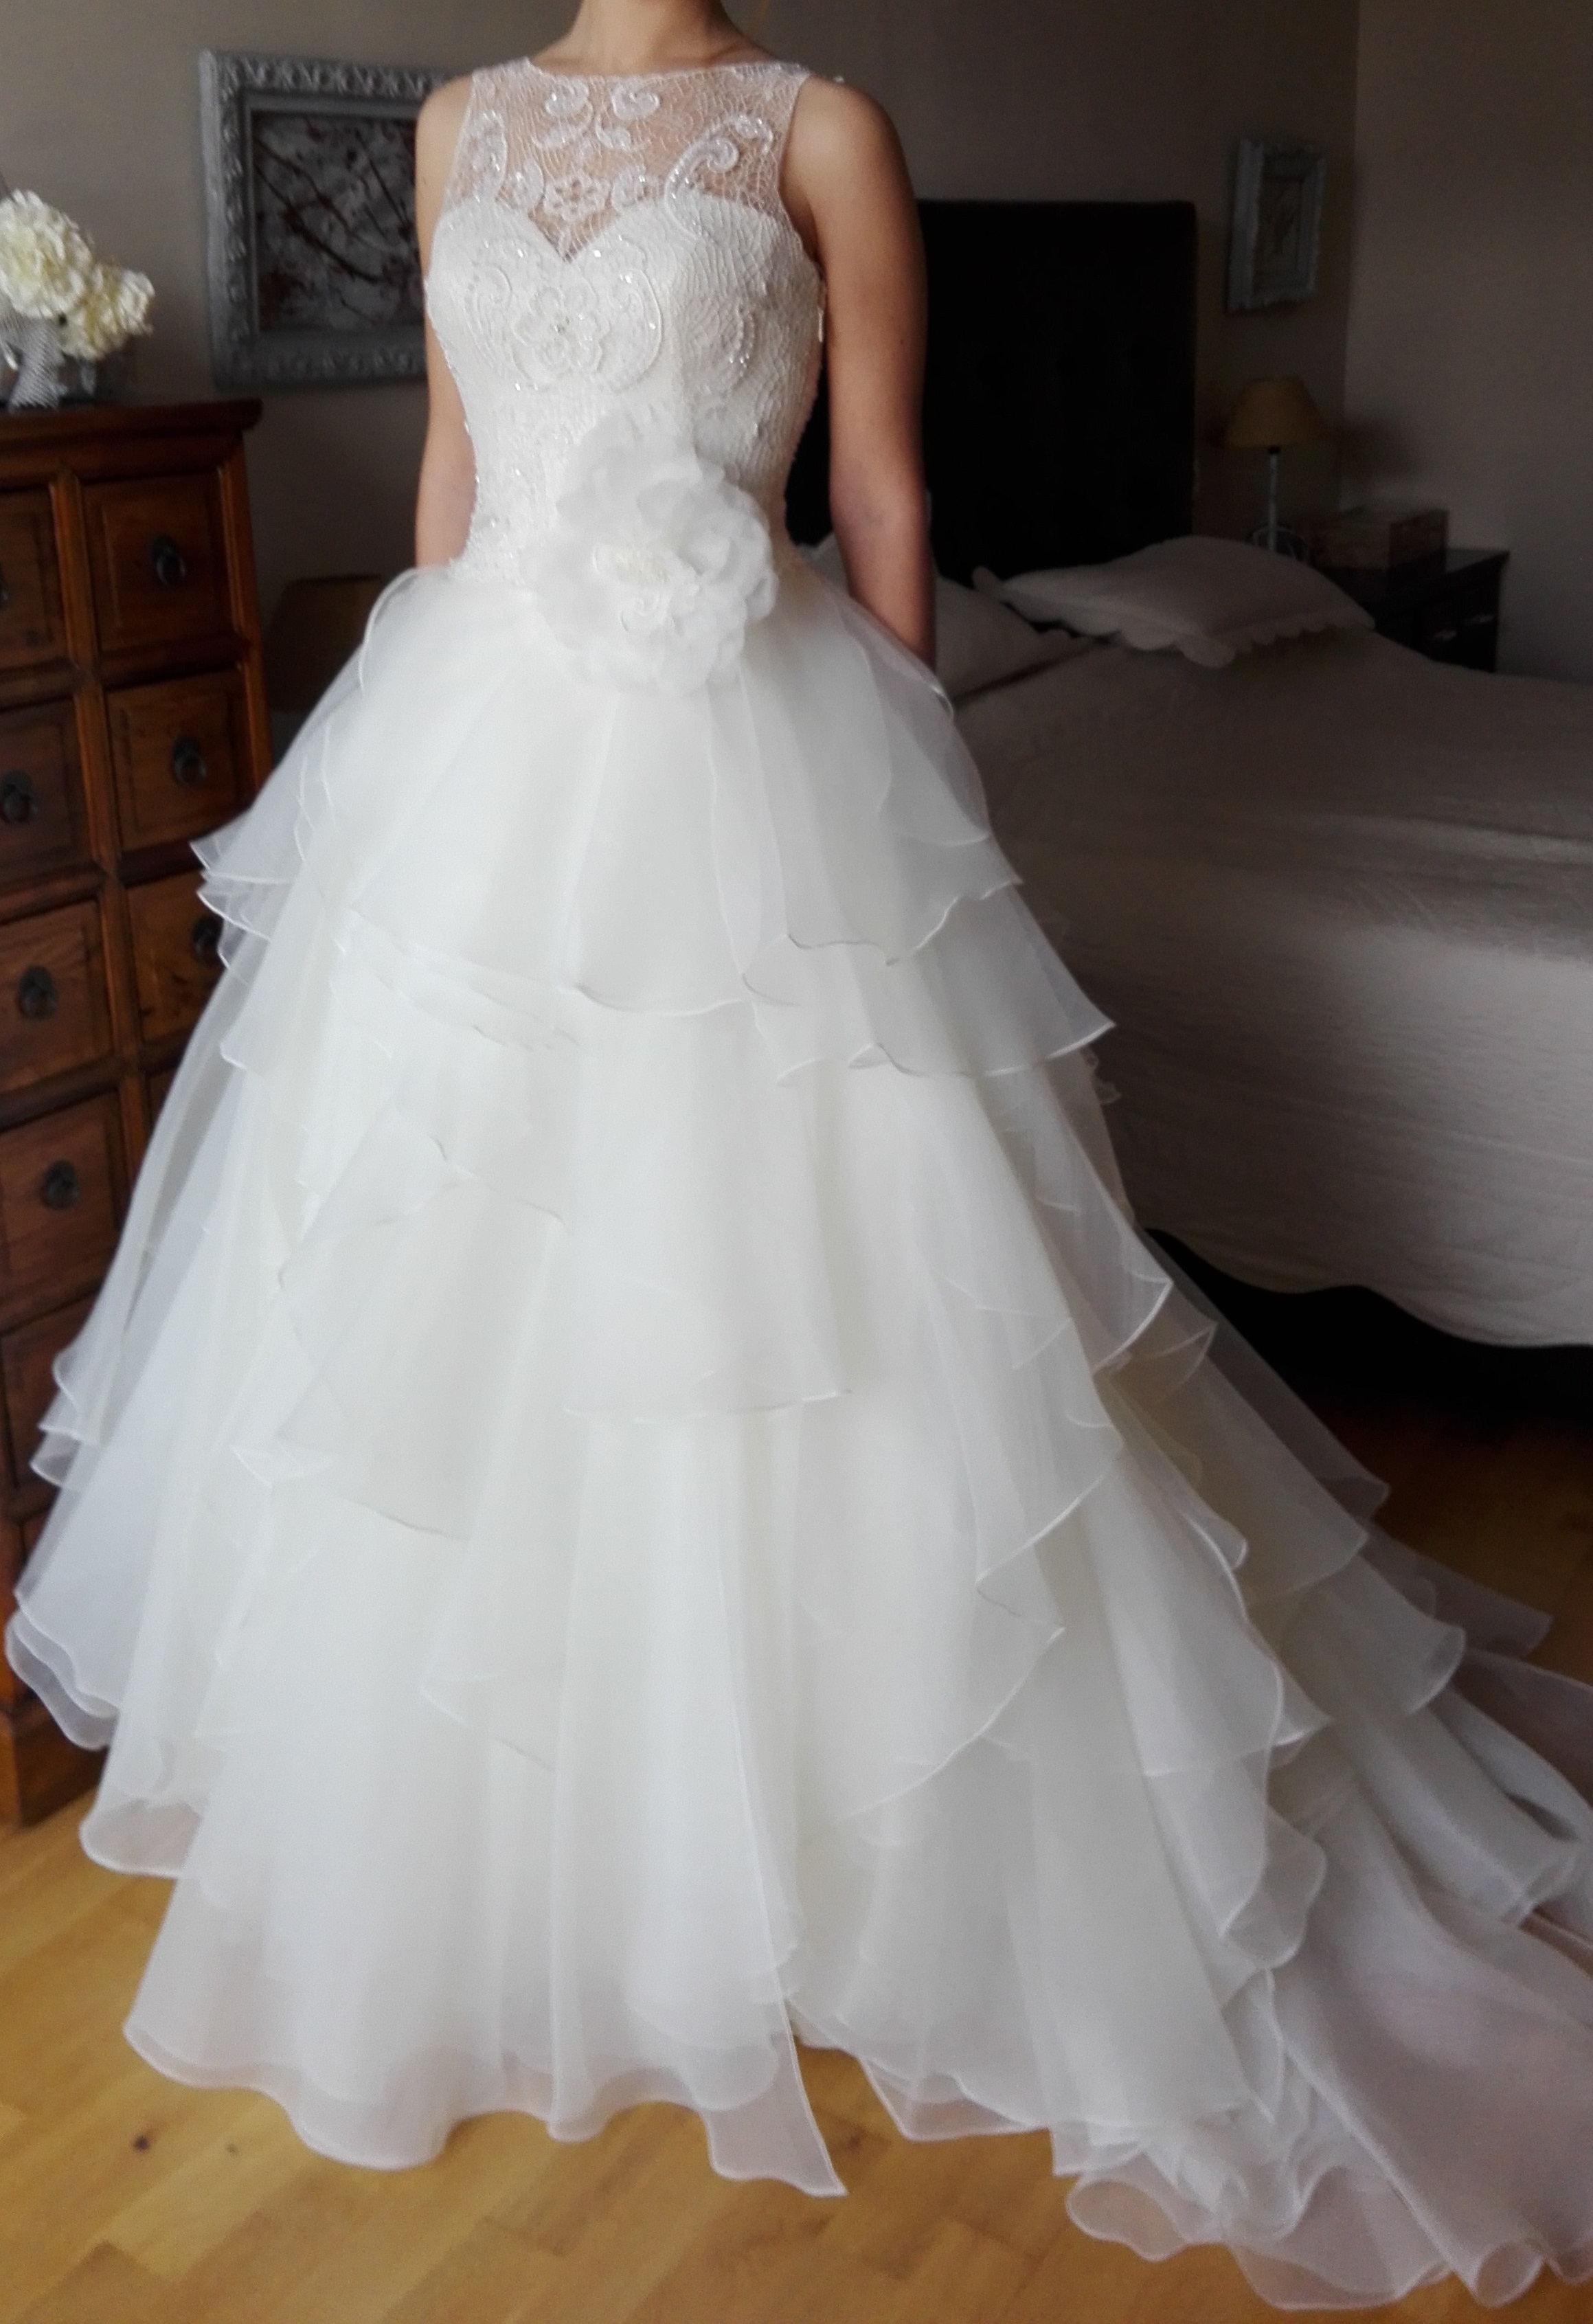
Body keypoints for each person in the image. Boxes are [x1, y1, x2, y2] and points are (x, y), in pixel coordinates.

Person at [8, 2, 1593, 2307]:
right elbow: (454, 472)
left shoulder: (823, 127)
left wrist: (919, 822)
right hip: (477, 781)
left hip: (747, 766)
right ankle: (534, 1838)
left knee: (786, 1312)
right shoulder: (458, 126)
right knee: (456, 1307)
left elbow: (885, 497)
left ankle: (836, 1828)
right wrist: (393, 771)